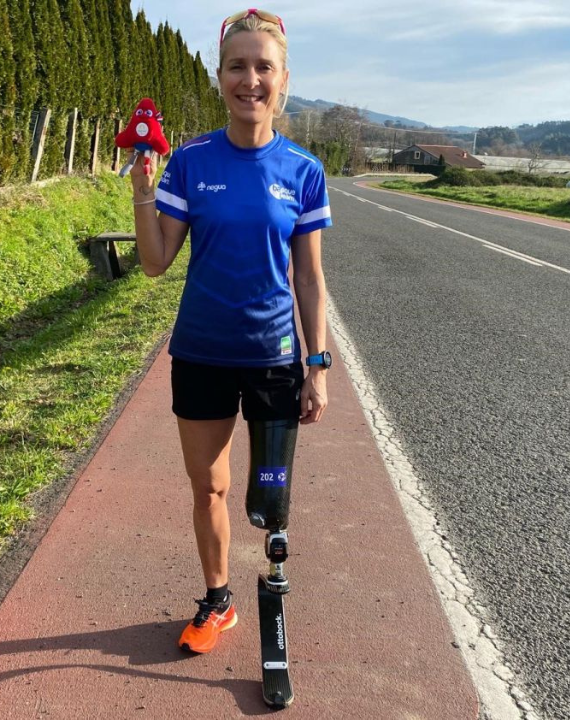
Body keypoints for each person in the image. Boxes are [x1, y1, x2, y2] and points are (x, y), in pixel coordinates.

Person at [128, 8, 334, 655]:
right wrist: (141, 192)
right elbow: (157, 263)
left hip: (274, 362)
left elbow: (309, 278)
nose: (251, 80)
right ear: (220, 78)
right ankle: (218, 602)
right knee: (209, 487)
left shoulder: (303, 171)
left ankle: (273, 579)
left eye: (263, 67)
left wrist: (318, 364)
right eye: (238, 66)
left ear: (283, 79)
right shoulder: (190, 163)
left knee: (268, 500)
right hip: (201, 357)